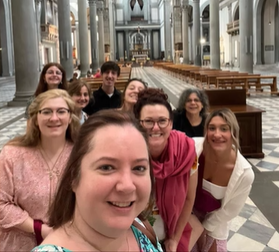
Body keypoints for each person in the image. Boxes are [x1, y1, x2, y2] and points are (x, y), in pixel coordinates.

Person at [32, 110, 163, 252]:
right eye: (107, 167)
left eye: (139, 168)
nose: (127, 186)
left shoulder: (140, 226)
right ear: (74, 177)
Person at [0, 89, 79, 252]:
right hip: (21, 242)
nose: (54, 118)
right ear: (36, 118)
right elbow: (1, 203)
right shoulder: (12, 154)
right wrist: (39, 228)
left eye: (61, 111)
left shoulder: (80, 154)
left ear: (70, 117)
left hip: (70, 239)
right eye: (46, 112)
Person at [134, 88, 201, 252]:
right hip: (133, 232)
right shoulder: (128, 152)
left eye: (162, 121)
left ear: (170, 123)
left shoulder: (185, 151)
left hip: (171, 230)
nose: (156, 128)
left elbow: (188, 199)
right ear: (138, 123)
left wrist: (174, 239)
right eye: (148, 121)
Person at [192, 108, 255, 252]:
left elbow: (229, 210)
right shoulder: (194, 147)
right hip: (187, 214)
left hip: (215, 222)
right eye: (212, 128)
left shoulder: (244, 174)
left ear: (233, 133)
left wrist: (204, 228)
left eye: (224, 129)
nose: (217, 134)